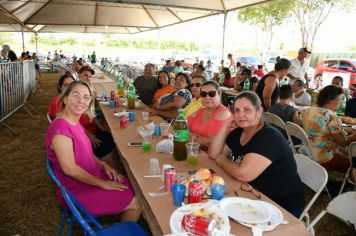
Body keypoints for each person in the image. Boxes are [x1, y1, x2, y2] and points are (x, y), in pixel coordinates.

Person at [45, 80, 142, 221]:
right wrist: (102, 184)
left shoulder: (74, 122)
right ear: (65, 98)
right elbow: (69, 169)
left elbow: (85, 153)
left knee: (136, 188)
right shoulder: (60, 129)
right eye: (76, 95)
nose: (81, 101)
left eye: (86, 97)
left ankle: (121, 213)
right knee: (137, 201)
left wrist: (103, 165)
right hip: (76, 191)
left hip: (91, 177)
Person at [209, 91, 304, 217]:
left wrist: (221, 160)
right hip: (250, 194)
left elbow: (242, 174)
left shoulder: (269, 137)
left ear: (259, 111)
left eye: (246, 109)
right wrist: (226, 126)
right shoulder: (239, 132)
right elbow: (213, 153)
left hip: (281, 206)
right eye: (236, 110)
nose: (240, 114)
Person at [300, 85, 356, 174]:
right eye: (339, 100)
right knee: (351, 164)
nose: (340, 102)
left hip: (305, 151)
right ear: (331, 100)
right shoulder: (332, 117)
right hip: (322, 157)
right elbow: (342, 143)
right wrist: (354, 136)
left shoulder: (308, 110)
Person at [187, 81, 232, 150]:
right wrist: (190, 133)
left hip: (210, 157)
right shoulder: (200, 111)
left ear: (219, 94)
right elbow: (181, 125)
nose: (207, 97)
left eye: (211, 94)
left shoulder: (223, 113)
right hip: (193, 151)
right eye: (203, 94)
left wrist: (188, 137)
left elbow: (210, 142)